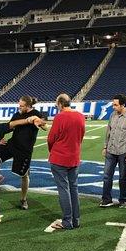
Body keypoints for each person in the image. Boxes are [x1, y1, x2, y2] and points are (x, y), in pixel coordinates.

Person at [0, 96, 46, 210]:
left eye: (22, 106)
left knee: (24, 175)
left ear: (28, 106)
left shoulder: (36, 113)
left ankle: (23, 199)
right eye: (19, 105)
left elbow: (45, 126)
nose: (19, 107)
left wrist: (40, 122)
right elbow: (8, 127)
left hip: (25, 150)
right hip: (12, 145)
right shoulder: (16, 115)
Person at [48, 93, 85, 230]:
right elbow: (81, 135)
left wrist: (52, 151)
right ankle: (76, 220)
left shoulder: (59, 117)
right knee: (73, 188)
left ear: (60, 104)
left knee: (63, 189)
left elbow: (51, 138)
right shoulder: (80, 116)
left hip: (59, 158)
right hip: (74, 157)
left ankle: (67, 221)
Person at [100, 94, 126, 209]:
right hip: (111, 151)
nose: (113, 107)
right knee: (107, 176)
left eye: (115, 105)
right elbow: (108, 132)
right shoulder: (112, 115)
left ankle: (122, 200)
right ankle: (106, 199)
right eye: (113, 104)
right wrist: (105, 147)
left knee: (123, 177)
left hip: (123, 152)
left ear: (123, 105)